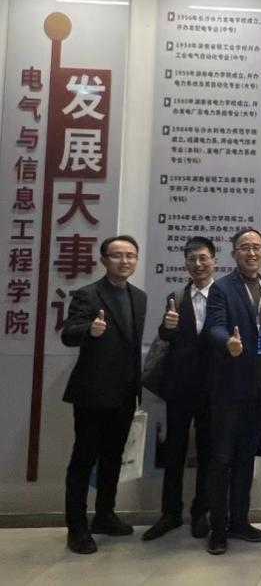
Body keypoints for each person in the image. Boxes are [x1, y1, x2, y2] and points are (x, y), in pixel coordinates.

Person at [61, 235, 147, 555]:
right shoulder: (88, 294)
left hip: (124, 393)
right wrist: (89, 331)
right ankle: (76, 527)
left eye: (131, 255)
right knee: (83, 460)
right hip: (93, 393)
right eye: (118, 255)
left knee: (113, 458)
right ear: (103, 260)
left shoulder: (139, 297)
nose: (125, 261)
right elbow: (68, 334)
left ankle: (105, 515)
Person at [203, 228, 261, 555]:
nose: (251, 253)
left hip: (258, 388)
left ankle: (239, 521)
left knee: (247, 458)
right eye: (245, 247)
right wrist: (228, 343)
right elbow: (214, 326)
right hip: (228, 388)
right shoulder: (222, 288)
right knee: (221, 459)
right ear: (234, 253)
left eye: (256, 247)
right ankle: (218, 529)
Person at [142, 236, 217, 543]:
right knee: (174, 451)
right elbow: (166, 337)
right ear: (185, 263)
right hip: (179, 388)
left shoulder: (224, 295)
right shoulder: (176, 296)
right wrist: (167, 327)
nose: (197, 264)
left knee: (208, 452)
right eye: (191, 259)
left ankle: (201, 512)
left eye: (203, 258)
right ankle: (170, 513)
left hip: (212, 389)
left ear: (214, 260)